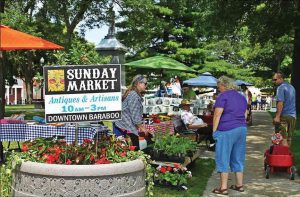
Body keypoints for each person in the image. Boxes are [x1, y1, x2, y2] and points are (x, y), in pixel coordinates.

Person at [212, 76, 247, 195]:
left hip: (226, 129)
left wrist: (214, 132)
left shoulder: (223, 96)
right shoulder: (242, 97)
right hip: (241, 129)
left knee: (223, 157)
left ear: (223, 85)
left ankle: (223, 188)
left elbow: (217, 115)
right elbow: (245, 114)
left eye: (219, 87)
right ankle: (239, 185)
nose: (218, 89)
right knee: (238, 157)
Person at [113, 74, 149, 150]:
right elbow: (135, 114)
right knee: (134, 150)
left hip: (121, 126)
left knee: (126, 151)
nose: (146, 85)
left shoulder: (132, 93)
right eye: (145, 83)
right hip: (125, 127)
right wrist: (141, 127)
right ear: (139, 83)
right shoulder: (134, 95)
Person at [272, 72, 296, 146]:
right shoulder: (291, 87)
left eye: (275, 79)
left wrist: (277, 116)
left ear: (281, 78)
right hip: (292, 116)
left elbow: (280, 102)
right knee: (289, 138)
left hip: (284, 116)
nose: (274, 81)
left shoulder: (281, 87)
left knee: (281, 138)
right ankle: (287, 156)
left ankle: (280, 156)